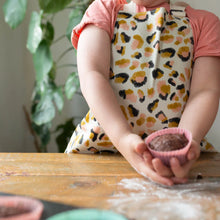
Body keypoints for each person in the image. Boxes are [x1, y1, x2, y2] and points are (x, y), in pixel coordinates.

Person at [65, 0, 220, 186]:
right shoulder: (104, 10)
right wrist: (123, 137)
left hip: (176, 163)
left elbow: (204, 91)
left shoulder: (205, 24)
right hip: (98, 154)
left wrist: (184, 145)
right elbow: (92, 74)